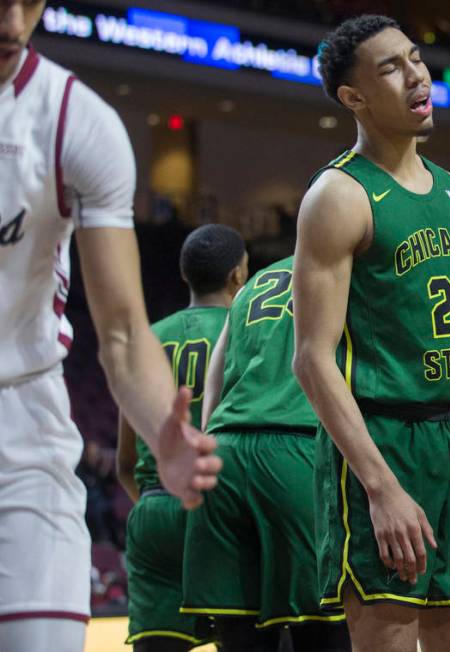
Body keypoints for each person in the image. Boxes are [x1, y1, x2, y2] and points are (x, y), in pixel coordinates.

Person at [292, 15, 450, 652]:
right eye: (390, 67)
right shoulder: (339, 195)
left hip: (446, 440)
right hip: (378, 439)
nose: (416, 73)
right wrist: (380, 486)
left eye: (415, 59)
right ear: (354, 98)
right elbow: (312, 360)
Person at [0, 3, 221, 649]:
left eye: (28, 0)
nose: (13, 21)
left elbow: (122, 332)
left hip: (20, 427)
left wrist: (162, 434)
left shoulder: (76, 120)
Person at [182, 255, 351, 652]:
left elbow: (216, 369)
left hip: (223, 452)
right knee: (325, 631)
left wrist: (211, 437)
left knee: (240, 640)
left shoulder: (254, 282)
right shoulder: (349, 268)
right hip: (296, 448)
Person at [117, 224, 248, 651]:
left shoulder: (150, 337)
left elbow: (124, 462)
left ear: (183, 274)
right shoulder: (248, 329)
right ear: (237, 277)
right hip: (223, 512)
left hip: (155, 506)